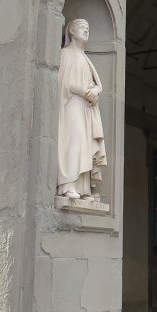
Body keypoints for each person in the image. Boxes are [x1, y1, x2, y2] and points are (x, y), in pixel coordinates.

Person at [57, 19, 107, 200]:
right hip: (71, 104)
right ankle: (68, 184)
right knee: (75, 140)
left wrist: (95, 91)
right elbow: (64, 83)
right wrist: (86, 92)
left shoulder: (85, 58)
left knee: (85, 144)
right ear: (71, 31)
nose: (86, 31)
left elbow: (96, 84)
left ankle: (83, 189)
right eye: (82, 28)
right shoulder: (66, 54)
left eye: (88, 28)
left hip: (86, 107)